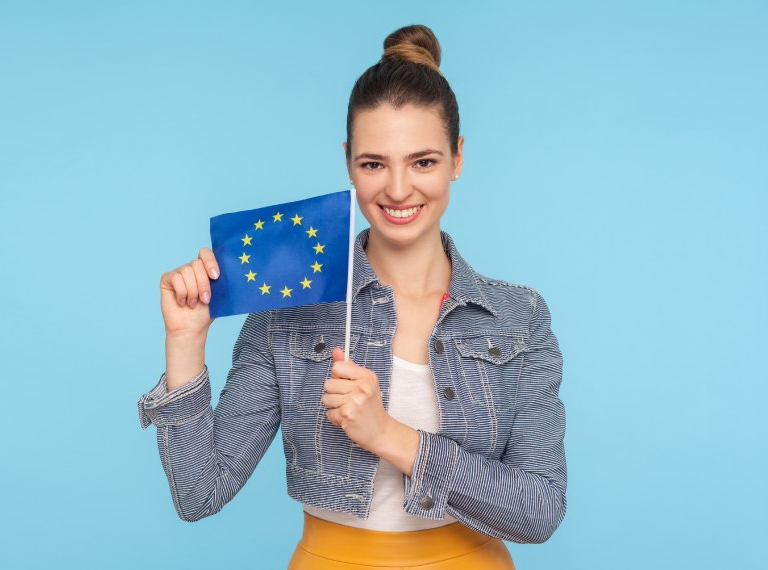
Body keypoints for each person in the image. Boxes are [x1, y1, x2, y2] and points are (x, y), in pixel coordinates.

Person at [138, 24, 566, 570]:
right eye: (374, 163)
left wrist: (388, 435)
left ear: (457, 158)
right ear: (348, 162)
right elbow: (200, 493)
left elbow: (540, 509)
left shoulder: (515, 318)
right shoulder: (292, 309)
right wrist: (184, 344)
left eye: (423, 161)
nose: (397, 188)